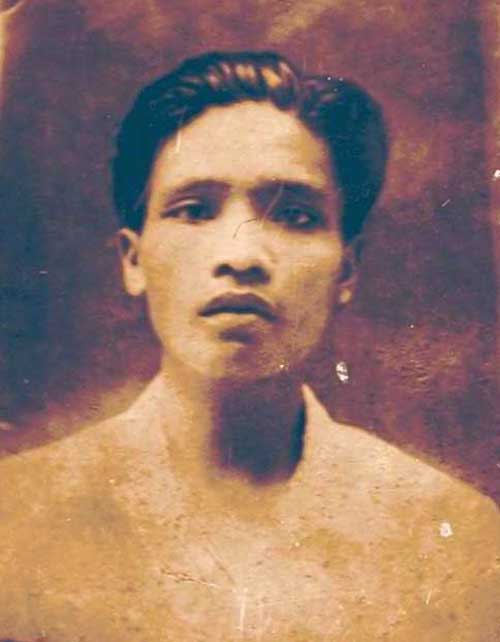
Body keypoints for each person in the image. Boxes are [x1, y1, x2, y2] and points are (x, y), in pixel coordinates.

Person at [0, 51, 498, 642]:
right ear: (133, 260)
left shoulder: (456, 537)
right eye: (194, 210)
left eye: (295, 215)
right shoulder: (18, 517)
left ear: (347, 269)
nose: (241, 255)